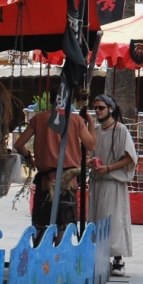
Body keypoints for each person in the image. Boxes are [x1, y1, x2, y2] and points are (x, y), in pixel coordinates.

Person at [14, 85, 96, 244]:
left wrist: (29, 157)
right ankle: (58, 259)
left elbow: (19, 144)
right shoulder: (76, 120)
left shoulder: (39, 119)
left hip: (46, 179)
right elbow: (91, 145)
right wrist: (90, 122)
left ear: (51, 100)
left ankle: (40, 257)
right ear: (69, 101)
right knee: (64, 224)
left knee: (40, 222)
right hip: (68, 180)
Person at [88, 95, 138, 277]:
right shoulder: (95, 130)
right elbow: (89, 151)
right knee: (96, 219)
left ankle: (118, 258)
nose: (98, 111)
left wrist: (108, 168)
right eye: (96, 108)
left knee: (114, 219)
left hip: (113, 182)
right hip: (97, 181)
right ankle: (99, 257)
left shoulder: (121, 130)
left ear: (110, 108)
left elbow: (130, 157)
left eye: (101, 107)